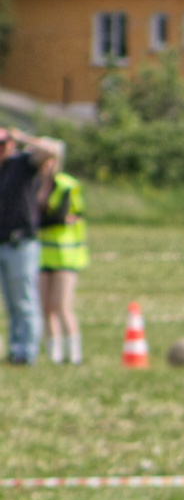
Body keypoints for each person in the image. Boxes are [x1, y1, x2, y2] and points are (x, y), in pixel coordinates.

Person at [34, 139, 84, 365]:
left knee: (62, 306)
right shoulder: (34, 184)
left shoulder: (67, 185)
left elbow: (59, 217)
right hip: (43, 254)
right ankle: (53, 355)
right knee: (46, 308)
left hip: (66, 255)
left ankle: (74, 354)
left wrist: (39, 221)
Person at [0, 129, 46, 367]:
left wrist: (23, 138)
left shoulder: (23, 164)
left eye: (2, 144)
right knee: (10, 303)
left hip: (21, 243)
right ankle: (15, 349)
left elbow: (52, 150)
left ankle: (27, 352)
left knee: (24, 301)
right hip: (2, 242)